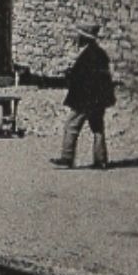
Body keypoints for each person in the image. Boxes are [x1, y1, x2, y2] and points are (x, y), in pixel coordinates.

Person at [53, 24, 116, 169]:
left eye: (80, 36)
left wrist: (70, 74)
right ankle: (101, 160)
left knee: (71, 125)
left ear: (85, 38)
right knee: (97, 128)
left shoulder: (89, 55)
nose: (77, 39)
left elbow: (85, 80)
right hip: (99, 99)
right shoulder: (100, 53)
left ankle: (67, 158)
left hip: (86, 99)